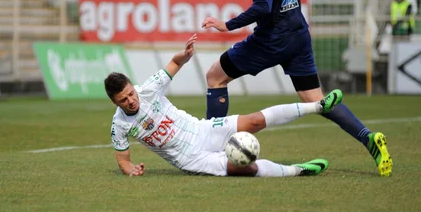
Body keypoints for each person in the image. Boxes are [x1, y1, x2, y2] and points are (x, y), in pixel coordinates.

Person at [200, 0, 392, 177]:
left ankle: (211, 151)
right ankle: (368, 138)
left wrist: (228, 24)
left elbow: (262, 6)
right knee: (315, 100)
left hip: (271, 40)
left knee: (215, 76)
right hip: (298, 35)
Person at [106, 34, 341, 178]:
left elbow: (173, 63)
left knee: (253, 121)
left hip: (202, 130)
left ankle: (319, 106)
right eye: (123, 100)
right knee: (244, 168)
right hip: (191, 159)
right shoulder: (119, 125)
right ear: (115, 103)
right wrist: (130, 169)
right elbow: (123, 159)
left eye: (130, 93)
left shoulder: (147, 89)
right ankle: (297, 170)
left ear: (132, 86)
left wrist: (185, 55)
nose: (131, 100)